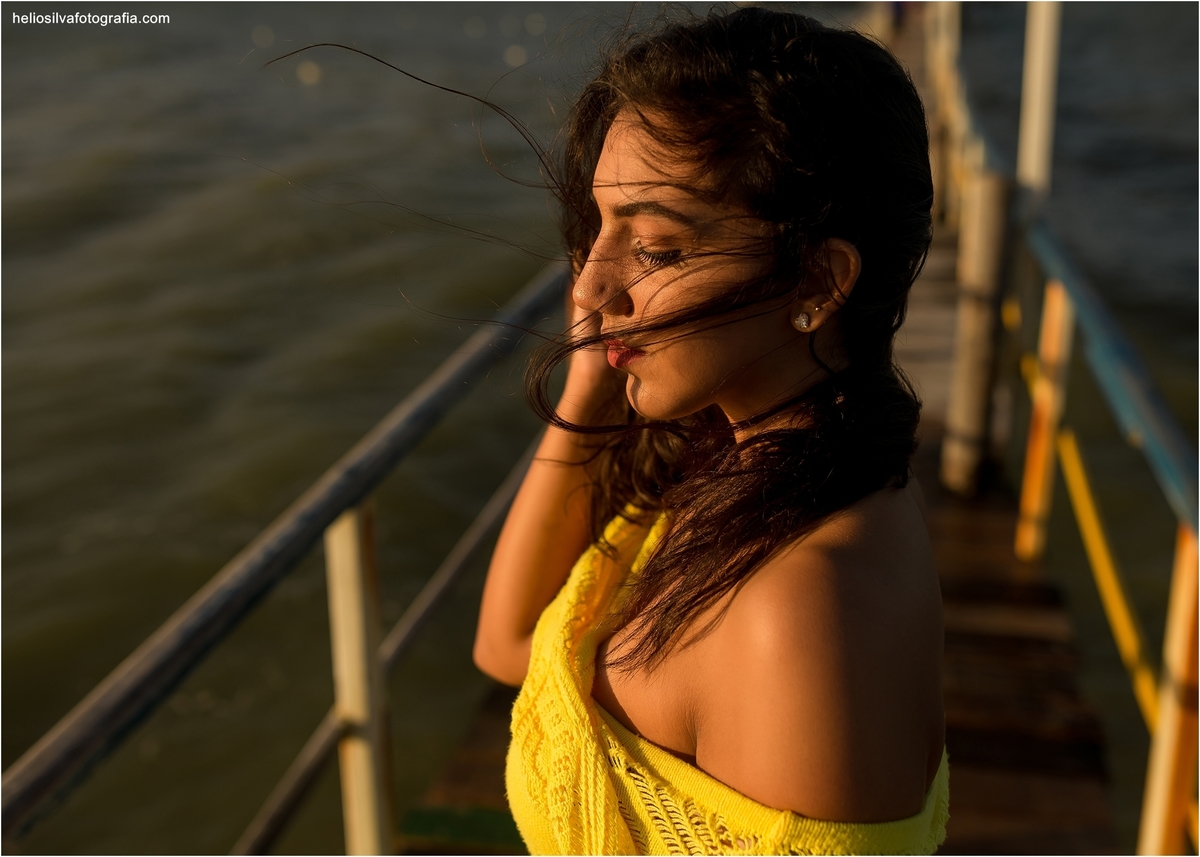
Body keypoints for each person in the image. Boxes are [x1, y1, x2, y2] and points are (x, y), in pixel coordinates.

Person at [473, 7, 947, 854]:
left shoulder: (795, 608)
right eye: (598, 227)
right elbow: (513, 646)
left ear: (818, 278)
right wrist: (597, 372)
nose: (588, 287)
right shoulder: (749, 468)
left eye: (654, 248)